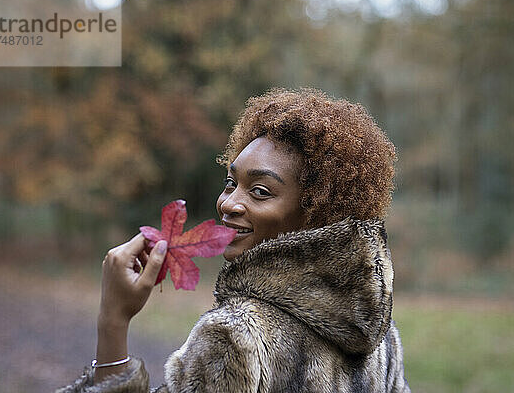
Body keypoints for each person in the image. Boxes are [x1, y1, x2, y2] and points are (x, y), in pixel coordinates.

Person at [57, 88, 410, 392]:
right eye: (230, 182)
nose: (228, 202)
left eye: (259, 191)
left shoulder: (236, 338)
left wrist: (113, 320)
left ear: (316, 213)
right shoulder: (378, 336)